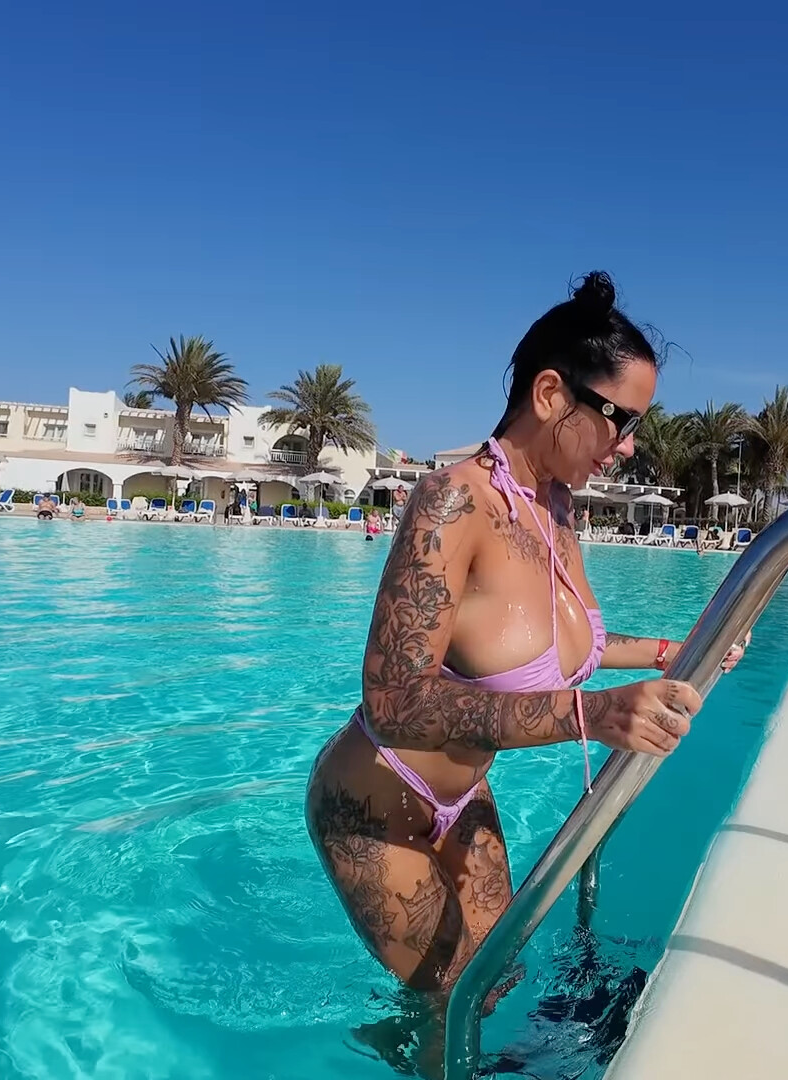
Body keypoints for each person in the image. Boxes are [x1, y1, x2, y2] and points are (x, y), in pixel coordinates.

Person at [306, 272, 748, 1000]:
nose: (628, 446)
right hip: (373, 806)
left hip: (461, 792)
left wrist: (677, 649)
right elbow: (394, 702)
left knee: (496, 981)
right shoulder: (452, 501)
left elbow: (573, 648)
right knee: (448, 1007)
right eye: (621, 420)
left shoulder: (556, 508)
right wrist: (593, 714)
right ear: (550, 395)